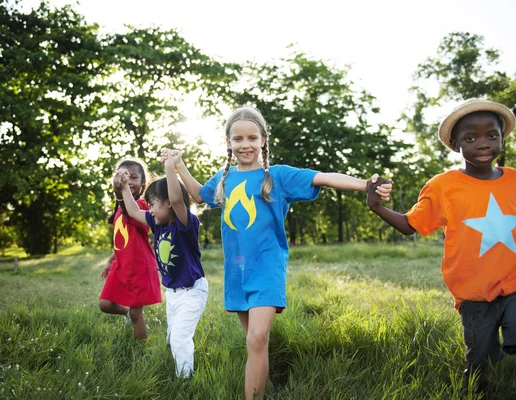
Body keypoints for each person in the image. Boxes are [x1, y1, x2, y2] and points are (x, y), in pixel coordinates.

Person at [163, 105, 392, 400]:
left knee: (257, 338)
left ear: (263, 140)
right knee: (254, 341)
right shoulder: (225, 178)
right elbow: (197, 195)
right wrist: (179, 167)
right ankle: (265, 390)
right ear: (229, 143)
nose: (245, 145)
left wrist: (366, 185)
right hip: (237, 269)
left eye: (252, 138)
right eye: (238, 139)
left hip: (267, 267)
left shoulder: (279, 176)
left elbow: (323, 177)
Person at [366, 98, 516, 393]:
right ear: (456, 144)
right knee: (480, 364)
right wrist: (377, 207)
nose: (483, 143)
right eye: (470, 137)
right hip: (473, 293)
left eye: (491, 135)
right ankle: (480, 388)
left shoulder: (513, 180)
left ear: (502, 137)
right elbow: (411, 225)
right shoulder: (442, 187)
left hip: (513, 285)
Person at [114, 155, 208, 378]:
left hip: (192, 292)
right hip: (173, 294)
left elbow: (177, 201)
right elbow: (135, 212)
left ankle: (184, 381)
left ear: (168, 203)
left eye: (154, 204)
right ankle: (174, 366)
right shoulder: (158, 225)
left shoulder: (185, 224)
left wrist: (170, 168)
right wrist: (125, 188)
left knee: (179, 338)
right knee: (170, 338)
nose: (150, 210)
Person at [99, 159, 162, 341]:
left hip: (138, 266)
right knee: (105, 304)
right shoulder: (120, 209)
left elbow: (129, 209)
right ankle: (126, 312)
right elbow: (122, 241)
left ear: (143, 183)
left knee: (136, 314)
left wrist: (121, 189)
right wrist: (110, 261)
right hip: (121, 265)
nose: (129, 181)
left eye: (133, 177)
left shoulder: (141, 207)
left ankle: (139, 349)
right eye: (124, 176)